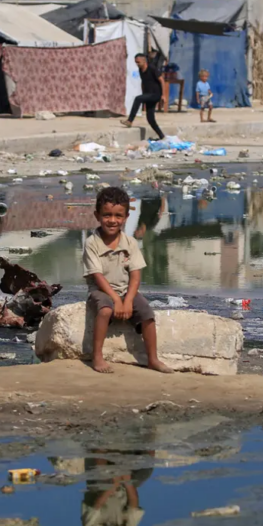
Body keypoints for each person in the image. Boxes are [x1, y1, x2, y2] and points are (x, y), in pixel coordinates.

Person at [83, 186, 173, 374]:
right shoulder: (92, 243)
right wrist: (116, 300)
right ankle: (97, 356)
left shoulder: (130, 242)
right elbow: (97, 276)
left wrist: (129, 300)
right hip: (100, 291)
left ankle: (152, 359)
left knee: (147, 313)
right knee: (106, 310)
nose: (112, 221)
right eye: (107, 215)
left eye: (118, 216)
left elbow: (135, 275)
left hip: (125, 290)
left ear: (125, 218)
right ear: (97, 215)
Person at [121, 54, 166, 140]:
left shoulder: (152, 68)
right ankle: (162, 136)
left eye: (138, 62)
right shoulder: (140, 70)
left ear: (144, 61)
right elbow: (144, 82)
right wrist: (144, 94)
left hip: (155, 94)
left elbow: (162, 80)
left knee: (138, 98)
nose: (137, 64)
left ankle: (130, 121)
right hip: (148, 95)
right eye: (136, 62)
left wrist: (163, 95)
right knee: (150, 119)